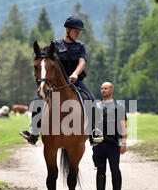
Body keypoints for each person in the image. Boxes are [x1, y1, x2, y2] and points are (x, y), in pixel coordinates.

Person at [20, 15, 103, 146]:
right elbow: (45, 60)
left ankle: (94, 132)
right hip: (56, 84)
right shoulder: (55, 45)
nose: (78, 33)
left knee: (92, 100)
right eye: (75, 31)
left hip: (76, 81)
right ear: (67, 30)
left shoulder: (80, 46)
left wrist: (75, 74)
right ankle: (34, 133)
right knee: (37, 102)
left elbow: (82, 62)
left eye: (79, 31)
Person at [92, 82, 127, 190]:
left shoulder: (119, 106)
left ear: (112, 90)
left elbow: (123, 126)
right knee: (100, 172)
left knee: (115, 170)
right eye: (101, 88)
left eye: (105, 88)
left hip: (113, 145)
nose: (103, 90)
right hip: (99, 145)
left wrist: (123, 144)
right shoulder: (96, 106)